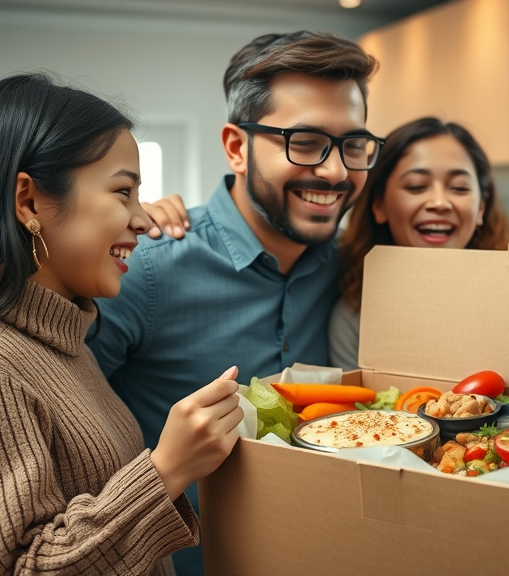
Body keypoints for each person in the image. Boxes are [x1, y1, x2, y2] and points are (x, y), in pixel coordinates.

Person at [86, 31, 379, 576]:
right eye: (306, 142)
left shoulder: (356, 268)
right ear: (236, 147)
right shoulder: (143, 267)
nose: (336, 172)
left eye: (353, 145)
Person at [0, 73, 243, 576]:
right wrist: (167, 469)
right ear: (29, 202)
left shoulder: (67, 341)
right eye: (123, 192)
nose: (143, 220)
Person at [328, 117, 509, 369]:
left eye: (459, 188)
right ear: (379, 205)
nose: (439, 202)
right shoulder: (354, 316)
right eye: (416, 186)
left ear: (481, 207)